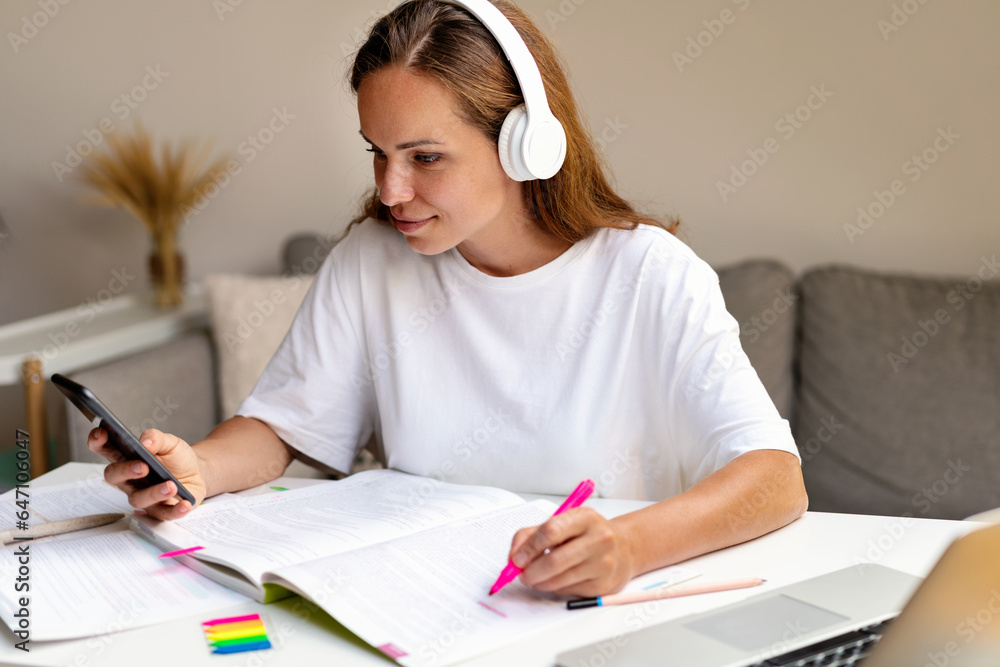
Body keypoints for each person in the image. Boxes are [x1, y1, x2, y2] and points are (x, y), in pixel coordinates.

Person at [91, 0, 807, 597]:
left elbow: (775, 480)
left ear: (529, 145)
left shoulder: (649, 275)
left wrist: (628, 545)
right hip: (423, 607)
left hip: (589, 616)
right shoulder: (372, 262)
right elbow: (284, 426)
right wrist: (199, 469)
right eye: (378, 151)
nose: (389, 190)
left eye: (424, 157)